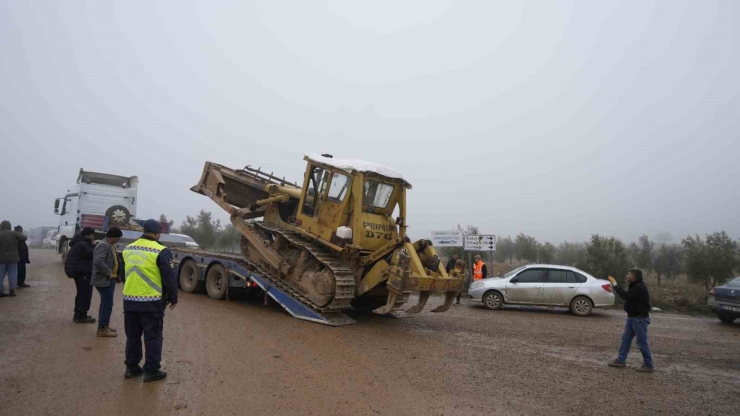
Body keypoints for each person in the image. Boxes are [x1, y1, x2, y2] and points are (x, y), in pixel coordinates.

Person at [122, 219, 178, 382]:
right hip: (151, 301)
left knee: (133, 336)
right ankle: (152, 370)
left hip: (130, 301)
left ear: (144, 230)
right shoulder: (161, 250)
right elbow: (169, 277)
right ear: (157, 233)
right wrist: (173, 297)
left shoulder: (128, 248)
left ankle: (131, 368)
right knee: (152, 336)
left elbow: (123, 274)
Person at [608, 269, 654, 372]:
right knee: (626, 339)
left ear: (634, 277)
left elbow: (626, 296)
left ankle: (649, 365)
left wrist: (615, 285)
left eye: (628, 274)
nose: (627, 275)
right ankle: (621, 360)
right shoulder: (635, 285)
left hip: (639, 319)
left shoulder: (638, 287)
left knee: (641, 342)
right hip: (632, 317)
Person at [92, 227, 123, 337]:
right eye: (118, 238)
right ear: (113, 237)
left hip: (109, 279)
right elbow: (98, 262)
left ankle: (104, 325)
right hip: (104, 279)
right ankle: (102, 328)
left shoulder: (110, 245)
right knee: (107, 304)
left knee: (106, 303)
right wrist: (110, 273)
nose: (119, 240)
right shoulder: (103, 245)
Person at [64, 227, 97, 323]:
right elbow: (92, 253)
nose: (93, 238)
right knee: (85, 294)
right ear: (89, 235)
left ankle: (79, 314)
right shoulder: (83, 244)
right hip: (82, 272)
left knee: (81, 293)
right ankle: (81, 316)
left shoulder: (79, 243)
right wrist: (95, 245)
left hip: (78, 272)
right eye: (93, 235)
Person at [0, 220, 27, 298]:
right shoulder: (13, 233)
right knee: (12, 275)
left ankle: (0, 291)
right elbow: (24, 238)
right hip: (13, 258)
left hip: (1, 259)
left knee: (0, 275)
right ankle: (12, 291)